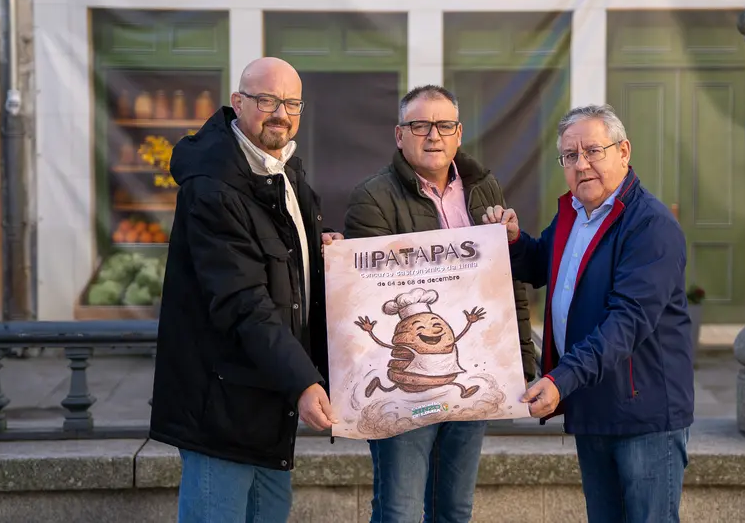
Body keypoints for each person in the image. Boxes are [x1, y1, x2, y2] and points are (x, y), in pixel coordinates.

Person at [149, 57, 344, 523]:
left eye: (291, 102)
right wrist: (303, 380)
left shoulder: (285, 172)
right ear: (238, 104)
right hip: (223, 405)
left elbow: (281, 269)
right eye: (266, 100)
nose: (280, 112)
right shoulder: (213, 185)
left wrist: (322, 248)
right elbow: (242, 300)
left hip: (268, 398)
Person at [483, 104, 694, 523]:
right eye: (570, 156)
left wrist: (560, 379)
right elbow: (545, 263)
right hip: (593, 405)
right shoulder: (575, 215)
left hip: (643, 416)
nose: (582, 165)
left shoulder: (649, 226)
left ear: (624, 151)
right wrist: (513, 242)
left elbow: (626, 322)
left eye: (593, 151)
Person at [343, 84, 538, 523]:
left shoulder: (484, 189)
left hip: (468, 371)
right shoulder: (372, 197)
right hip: (407, 380)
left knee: (454, 509)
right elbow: (369, 297)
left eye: (444, 125)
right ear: (399, 135)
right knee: (400, 511)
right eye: (420, 125)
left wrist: (521, 363)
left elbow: (508, 285)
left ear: (458, 133)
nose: (433, 135)